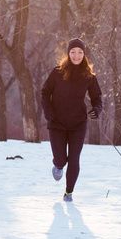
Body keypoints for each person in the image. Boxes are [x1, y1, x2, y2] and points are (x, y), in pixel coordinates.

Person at [41, 38, 103, 202]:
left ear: (84, 54)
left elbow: (97, 97)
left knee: (74, 158)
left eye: (80, 52)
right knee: (61, 159)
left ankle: (69, 192)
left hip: (78, 124)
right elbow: (45, 93)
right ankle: (58, 165)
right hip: (56, 123)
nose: (76, 55)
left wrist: (96, 110)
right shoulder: (57, 72)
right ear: (68, 53)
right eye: (73, 52)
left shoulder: (88, 76)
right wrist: (49, 114)